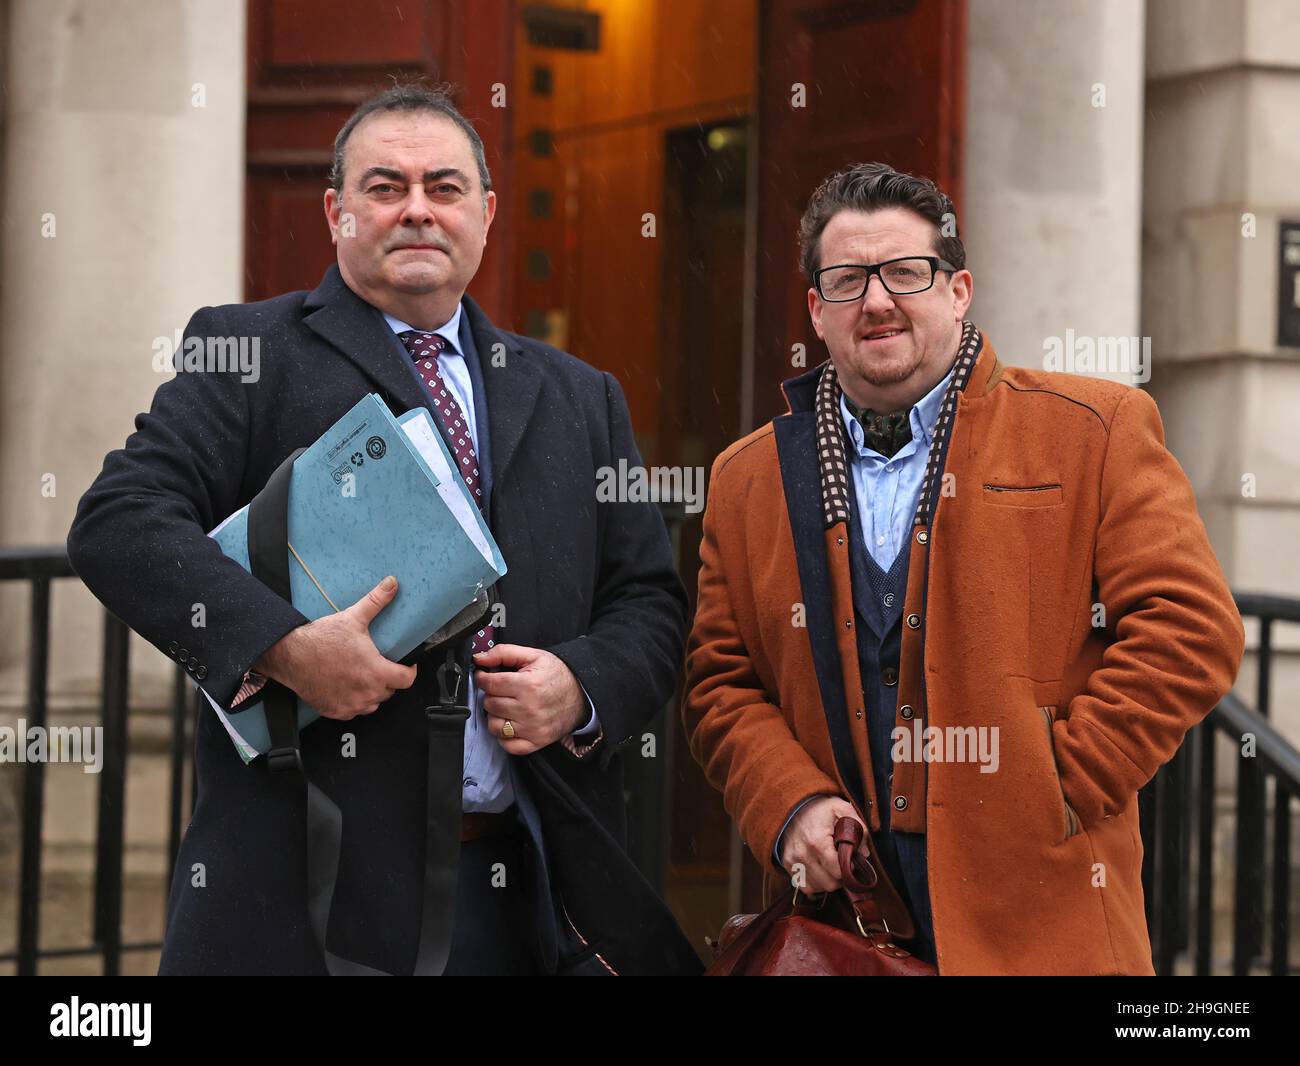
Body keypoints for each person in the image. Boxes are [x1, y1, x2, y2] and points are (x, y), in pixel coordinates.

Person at [67, 83, 698, 976]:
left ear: (485, 212)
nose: (417, 210)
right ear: (336, 212)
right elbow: (117, 524)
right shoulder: (246, 353)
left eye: (444, 188)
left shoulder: (579, 396)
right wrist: (283, 648)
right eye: (384, 187)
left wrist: (580, 684)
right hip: (308, 906)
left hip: (526, 899)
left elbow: (649, 602)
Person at [681, 161, 1244, 975]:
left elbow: (1192, 631)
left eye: (906, 273)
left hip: (1045, 916)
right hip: (846, 926)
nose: (876, 302)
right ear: (816, 309)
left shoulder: (1096, 429)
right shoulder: (746, 479)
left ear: (958, 290)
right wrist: (788, 801)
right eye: (846, 281)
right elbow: (718, 684)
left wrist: (1059, 782)